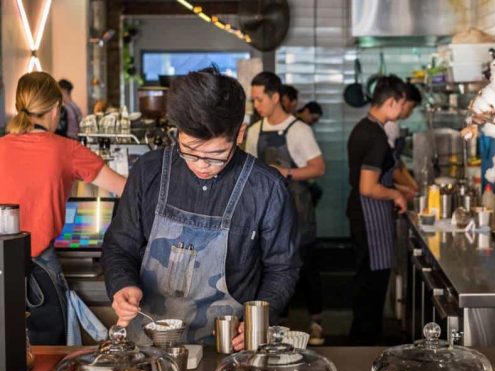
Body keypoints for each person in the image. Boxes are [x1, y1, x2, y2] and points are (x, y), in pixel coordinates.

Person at [101, 68, 300, 349]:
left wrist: (261, 318)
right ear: (177, 132)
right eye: (190, 150)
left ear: (240, 133)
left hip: (227, 347)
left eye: (217, 155)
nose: (201, 165)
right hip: (146, 344)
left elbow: (283, 268)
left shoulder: (266, 187)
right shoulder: (149, 172)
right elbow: (119, 245)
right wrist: (122, 284)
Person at [0, 72, 126, 345]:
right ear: (56, 108)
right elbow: (126, 189)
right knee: (48, 350)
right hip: (41, 267)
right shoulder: (66, 149)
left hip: (1, 264)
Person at [245, 72, 327, 345]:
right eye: (253, 99)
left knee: (308, 268)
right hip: (268, 212)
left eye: (259, 99)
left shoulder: (299, 130)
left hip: (299, 209)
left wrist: (286, 172)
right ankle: (280, 327)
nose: (256, 105)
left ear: (275, 97)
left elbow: (318, 167)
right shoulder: (254, 130)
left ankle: (316, 322)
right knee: (273, 269)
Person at [346, 75, 410, 345]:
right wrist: (396, 193)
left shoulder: (364, 127)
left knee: (368, 282)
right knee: (373, 283)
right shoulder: (375, 136)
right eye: (403, 105)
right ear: (392, 102)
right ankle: (365, 345)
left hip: (364, 214)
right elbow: (368, 187)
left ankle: (362, 339)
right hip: (369, 214)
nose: (403, 112)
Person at [384, 83, 421, 194]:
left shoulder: (394, 125)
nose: (410, 112)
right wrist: (412, 187)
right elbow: (392, 168)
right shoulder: (389, 125)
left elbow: (398, 161)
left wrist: (413, 185)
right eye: (410, 107)